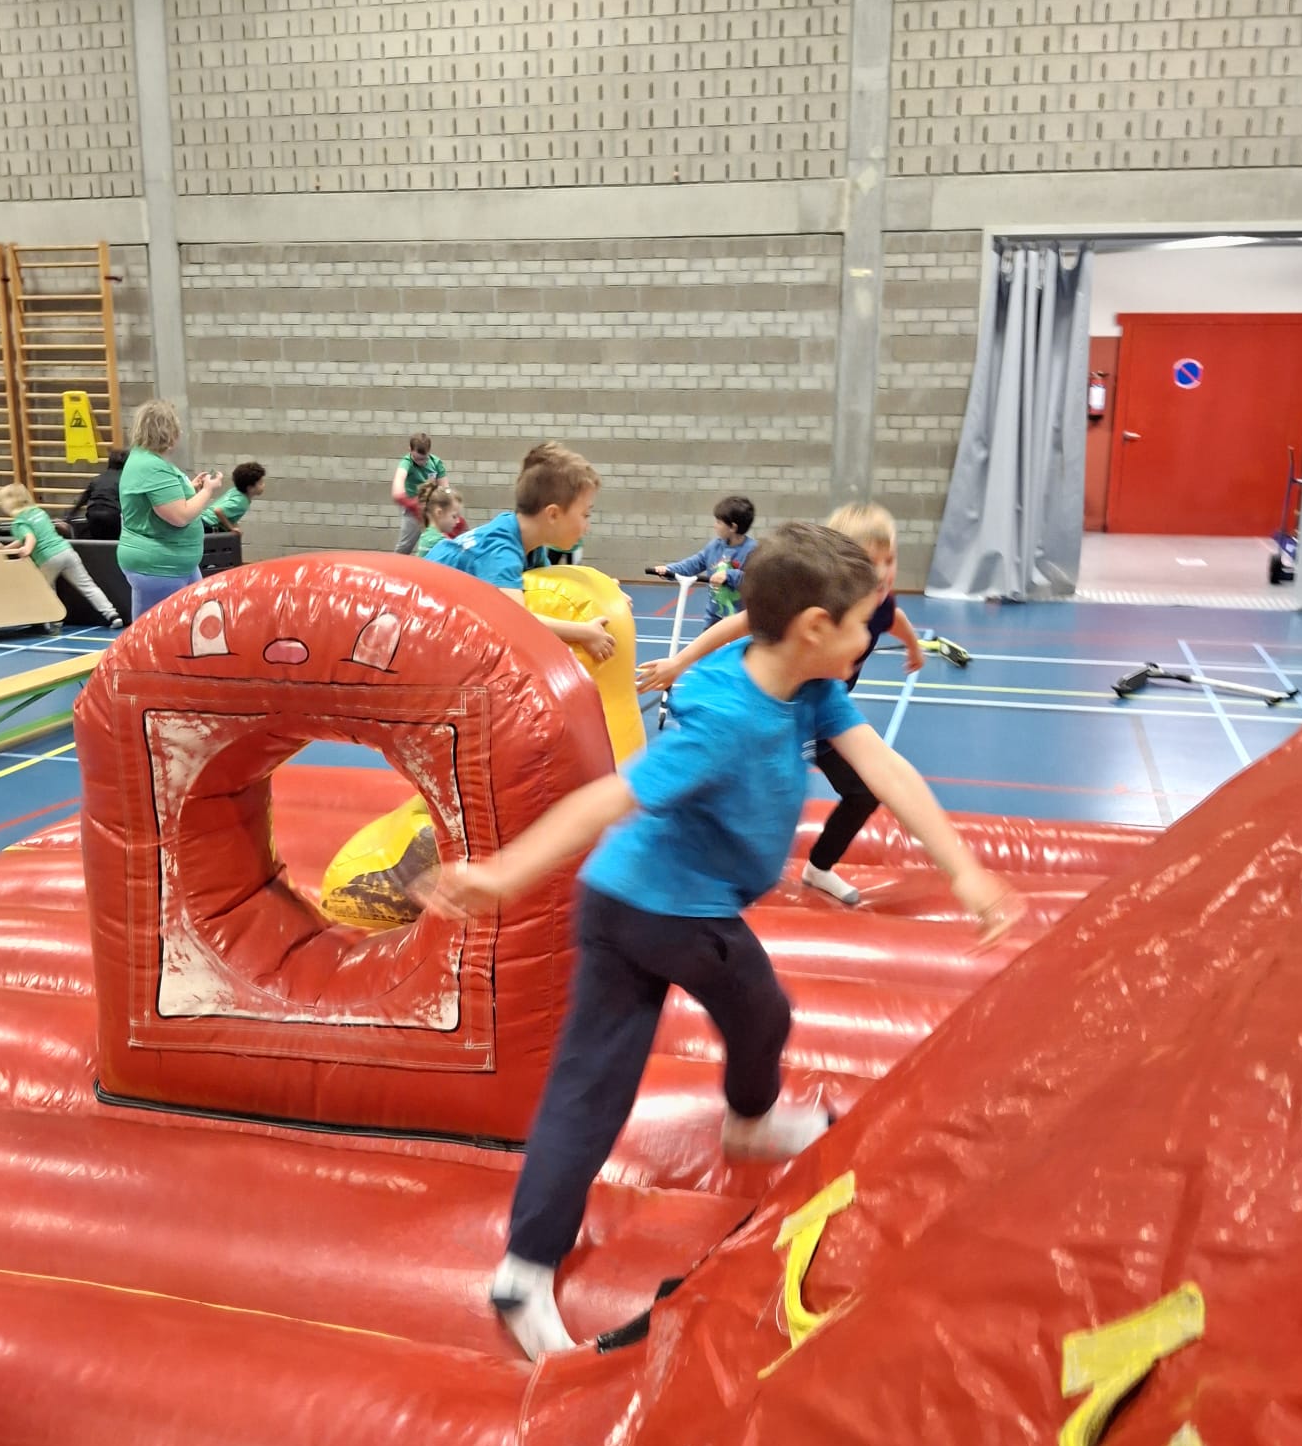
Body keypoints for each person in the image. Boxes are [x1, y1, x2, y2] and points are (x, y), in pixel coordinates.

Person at [426, 523, 1020, 1359]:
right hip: (668, 914)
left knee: (642, 1061)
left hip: (626, 902)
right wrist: (504, 874)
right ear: (814, 627)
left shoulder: (807, 687)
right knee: (718, 1029)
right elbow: (612, 798)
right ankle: (719, 1143)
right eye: (863, 623)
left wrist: (962, 869)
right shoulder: (727, 720)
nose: (870, 638)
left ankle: (527, 1267)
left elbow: (886, 770)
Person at [639, 502, 926, 906]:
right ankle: (670, 839)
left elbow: (896, 620)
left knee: (863, 792)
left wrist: (913, 648)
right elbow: (737, 624)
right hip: (774, 716)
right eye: (870, 562)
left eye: (889, 560)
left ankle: (819, 868)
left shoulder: (879, 605)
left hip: (824, 716)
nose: (882, 574)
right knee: (741, 786)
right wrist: (679, 662)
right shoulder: (811, 605)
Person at [426, 441, 616, 664]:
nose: (587, 527)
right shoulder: (501, 550)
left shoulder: (529, 544)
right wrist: (583, 632)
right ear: (553, 515)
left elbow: (556, 591)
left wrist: (602, 591)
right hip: (418, 620)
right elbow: (516, 622)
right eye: (585, 515)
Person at [116, 399, 222, 622]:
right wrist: (207, 491)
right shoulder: (152, 467)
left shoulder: (145, 460)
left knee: (193, 622)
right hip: (159, 566)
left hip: (175, 563)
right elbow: (180, 516)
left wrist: (189, 488)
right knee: (154, 630)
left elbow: (161, 500)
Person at [0, 483, 121, 627]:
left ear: (10, 503)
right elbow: (25, 538)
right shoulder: (38, 512)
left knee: (45, 589)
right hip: (66, 551)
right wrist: (6, 548)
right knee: (88, 586)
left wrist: (26, 550)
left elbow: (30, 538)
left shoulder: (19, 522)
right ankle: (112, 615)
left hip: (48, 558)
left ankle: (52, 620)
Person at [648, 494, 758, 627]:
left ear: (733, 527)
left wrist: (729, 575)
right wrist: (668, 570)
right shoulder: (714, 547)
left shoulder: (753, 551)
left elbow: (755, 581)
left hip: (741, 622)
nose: (715, 526)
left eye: (719, 522)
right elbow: (692, 564)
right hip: (714, 619)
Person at [392, 432, 447, 554]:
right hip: (413, 509)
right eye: (417, 458)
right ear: (410, 450)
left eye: (424, 459)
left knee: (436, 541)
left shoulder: (436, 462)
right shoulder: (407, 462)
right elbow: (399, 480)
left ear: (429, 452)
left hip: (432, 509)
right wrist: (406, 500)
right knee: (405, 546)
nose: (421, 462)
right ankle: (395, 563)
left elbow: (445, 487)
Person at [65, 448, 128, 541]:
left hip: (93, 515)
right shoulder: (126, 480)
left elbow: (83, 499)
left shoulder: (97, 479)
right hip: (113, 516)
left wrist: (70, 515)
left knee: (98, 542)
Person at [203, 461, 267, 534]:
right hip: (208, 525)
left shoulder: (236, 490)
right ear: (250, 488)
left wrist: (234, 525)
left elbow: (229, 514)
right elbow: (218, 511)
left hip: (204, 519)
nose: (264, 485)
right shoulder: (241, 502)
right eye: (260, 483)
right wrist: (231, 528)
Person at [413, 480, 469, 555]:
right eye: (454, 516)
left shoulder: (427, 535)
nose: (458, 521)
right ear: (439, 513)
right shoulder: (437, 541)